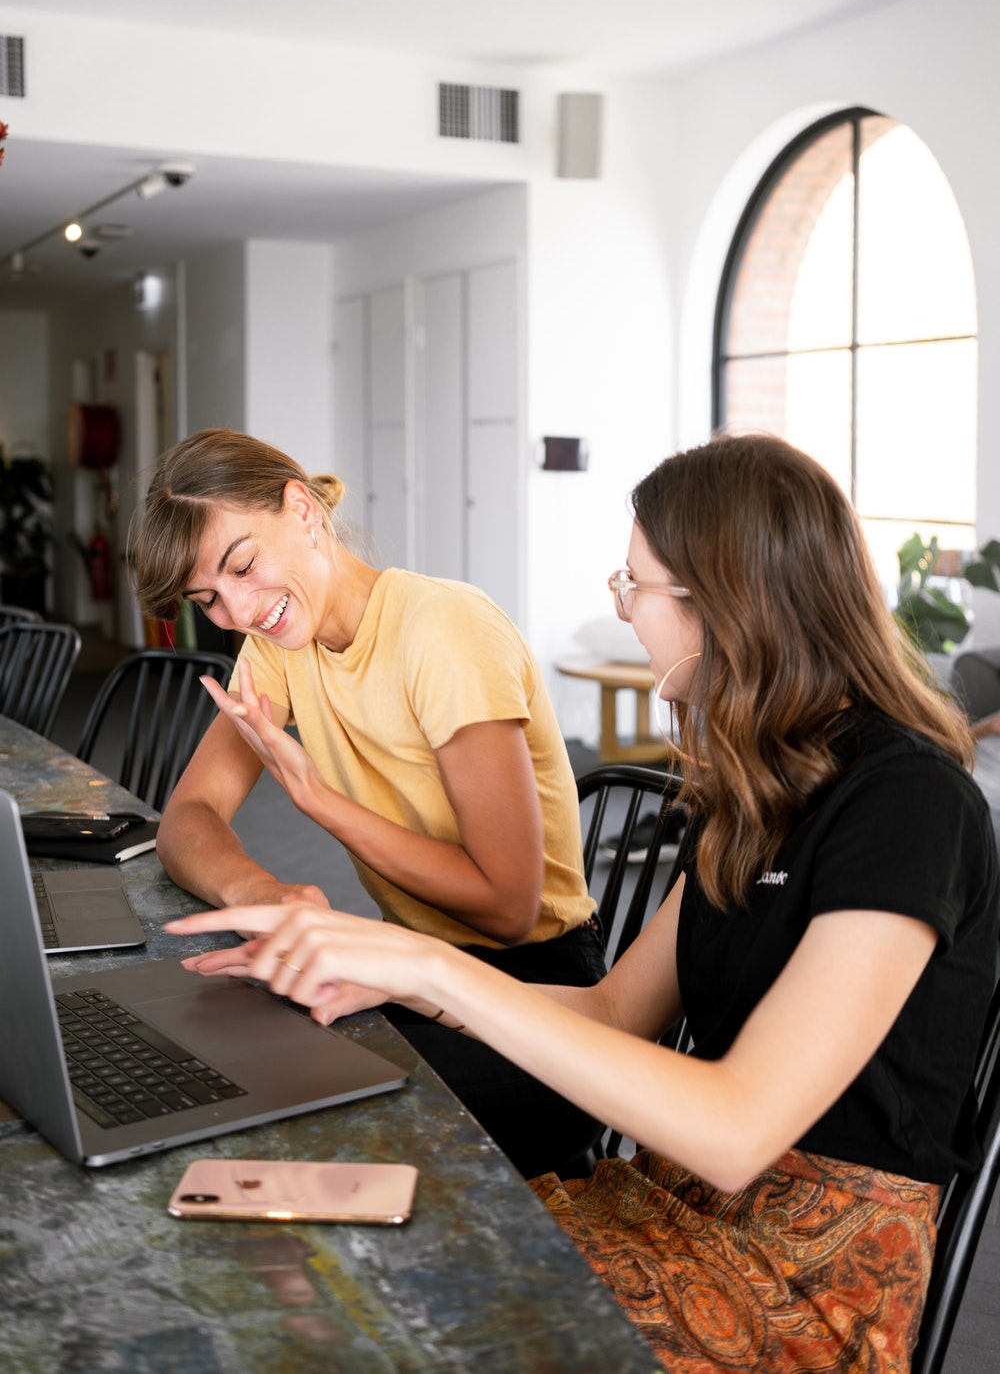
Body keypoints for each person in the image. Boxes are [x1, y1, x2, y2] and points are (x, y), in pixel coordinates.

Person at [167, 432, 999, 1373]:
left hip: (799, 1284)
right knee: (296, 1251)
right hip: (670, 1205)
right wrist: (388, 982)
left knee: (352, 1309)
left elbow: (736, 1131)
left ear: (725, 601)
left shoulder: (909, 803)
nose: (625, 609)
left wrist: (424, 962)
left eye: (633, 585)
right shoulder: (761, 790)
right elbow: (613, 1012)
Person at [131, 427, 605, 1178]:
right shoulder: (282, 646)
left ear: (302, 509)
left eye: (244, 566)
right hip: (411, 972)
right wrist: (268, 892)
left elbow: (510, 907)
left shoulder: (443, 629)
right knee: (224, 1045)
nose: (240, 612)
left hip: (538, 1004)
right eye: (208, 599)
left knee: (294, 1105)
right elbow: (188, 821)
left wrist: (319, 801)